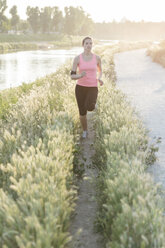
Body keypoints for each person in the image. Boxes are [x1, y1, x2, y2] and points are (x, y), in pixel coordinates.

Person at [70, 36, 103, 138]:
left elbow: (100, 71)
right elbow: (72, 75)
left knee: (90, 106)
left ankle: (93, 105)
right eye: (86, 43)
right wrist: (80, 75)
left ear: (92, 45)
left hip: (93, 86)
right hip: (80, 88)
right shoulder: (77, 58)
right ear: (83, 45)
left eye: (90, 43)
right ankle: (85, 130)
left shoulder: (97, 58)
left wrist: (99, 78)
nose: (89, 45)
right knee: (82, 112)